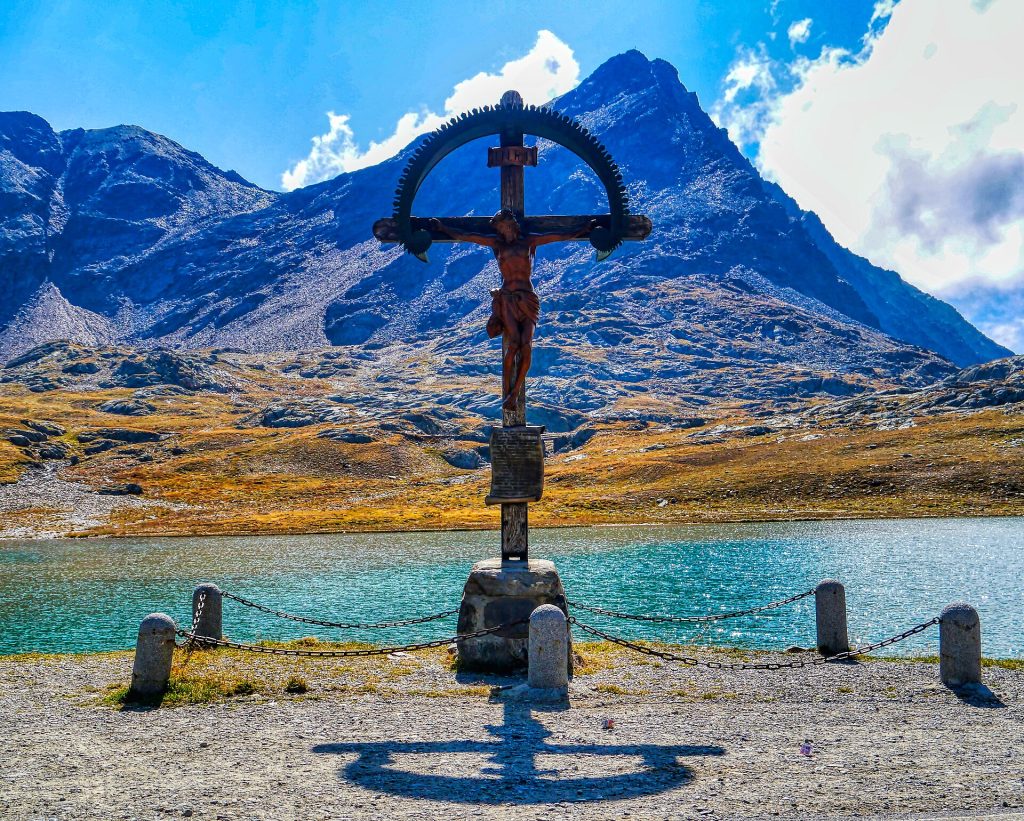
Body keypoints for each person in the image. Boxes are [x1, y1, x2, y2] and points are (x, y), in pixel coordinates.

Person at [430, 210, 595, 411]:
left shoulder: (528, 241)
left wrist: (583, 229)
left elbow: (557, 236)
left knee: (526, 344)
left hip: (527, 297)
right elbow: (467, 236)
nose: (499, 230)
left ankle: (514, 393)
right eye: (497, 228)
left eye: (500, 226)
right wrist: (443, 228)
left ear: (509, 224)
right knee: (514, 343)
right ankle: (507, 392)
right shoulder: (497, 245)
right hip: (508, 298)